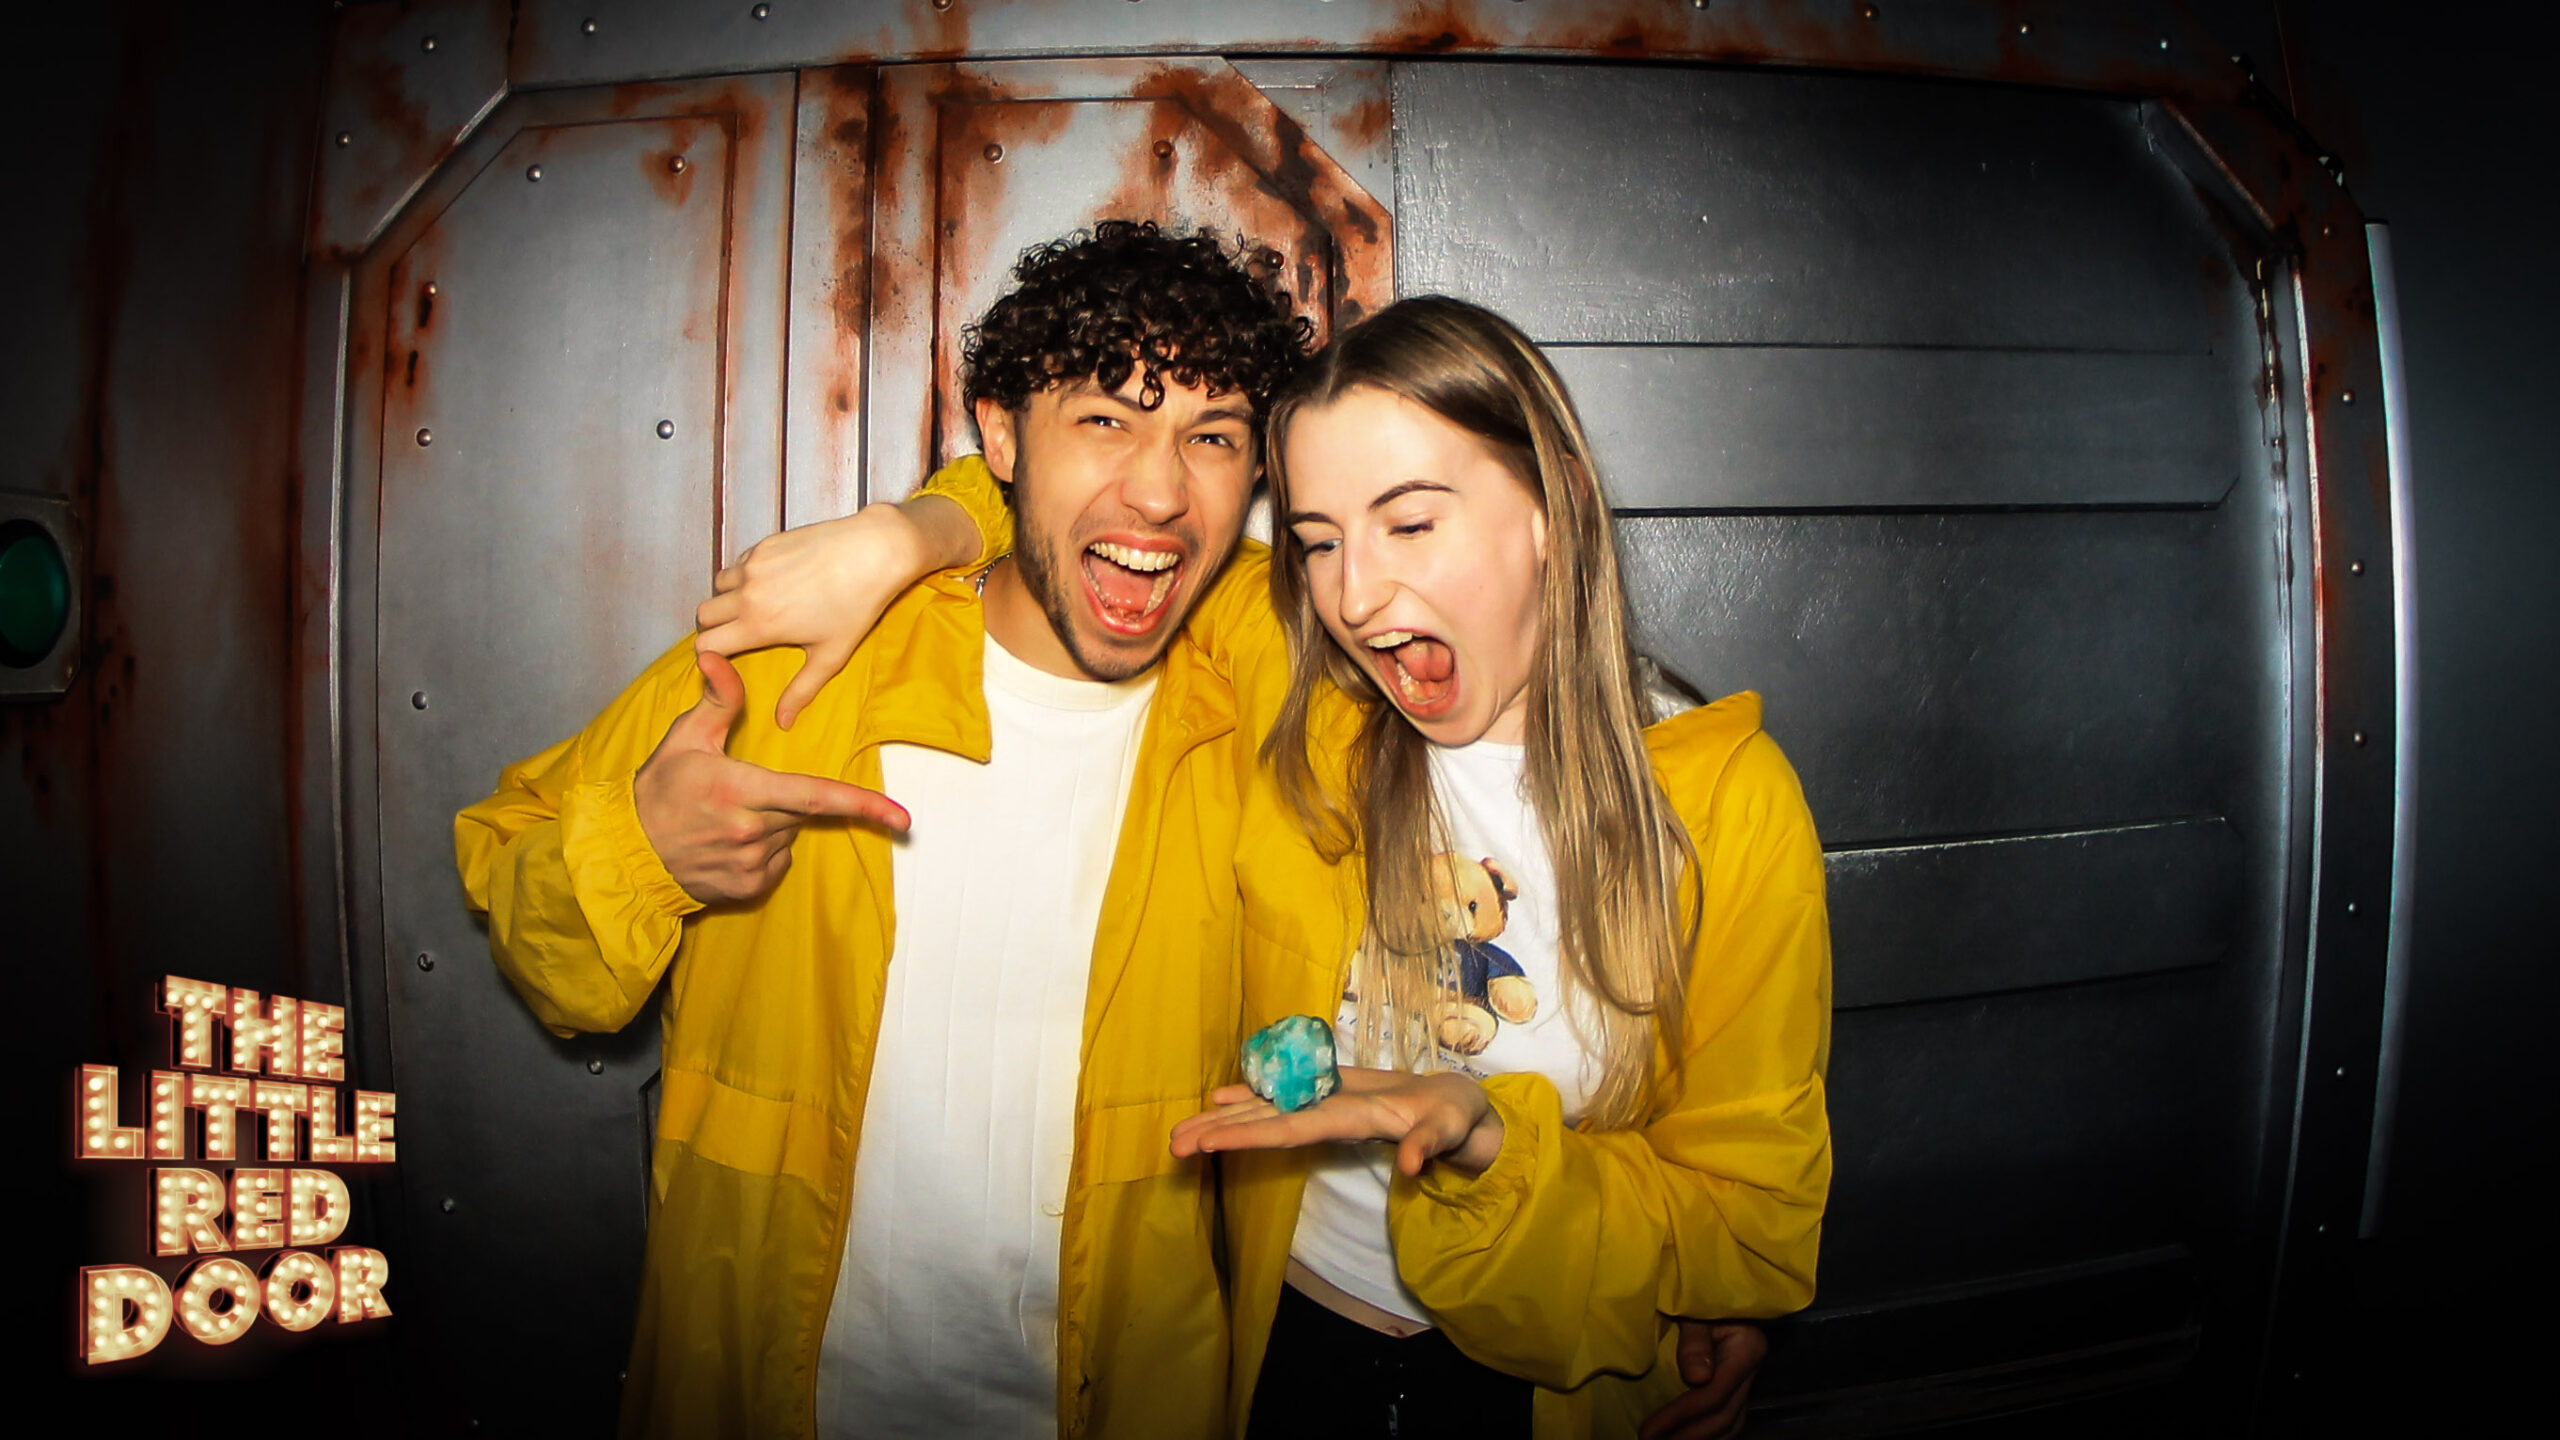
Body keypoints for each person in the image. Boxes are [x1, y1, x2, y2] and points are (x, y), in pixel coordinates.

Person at [704, 297, 1830, 1438]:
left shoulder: (1719, 802)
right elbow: (1097, 512)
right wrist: (911, 531)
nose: (1354, 598)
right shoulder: (1305, 712)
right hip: (1281, 1365)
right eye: (1319, 541)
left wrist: (1490, 1139)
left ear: (1557, 507)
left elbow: (1749, 1226)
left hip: (1564, 1388)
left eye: (1410, 524)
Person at [452, 221, 1310, 1439]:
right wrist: (643, 847)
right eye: (1104, 419)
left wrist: (927, 522)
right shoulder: (798, 665)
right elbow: (551, 955)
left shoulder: (1257, 726)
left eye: (1211, 436)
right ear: (1001, 434)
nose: (1162, 490)